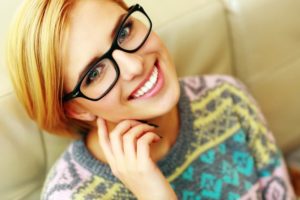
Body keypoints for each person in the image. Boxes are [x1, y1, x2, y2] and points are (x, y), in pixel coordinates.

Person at [6, 0, 295, 199]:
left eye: (124, 31)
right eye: (94, 73)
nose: (135, 66)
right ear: (77, 108)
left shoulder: (226, 97)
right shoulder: (72, 195)